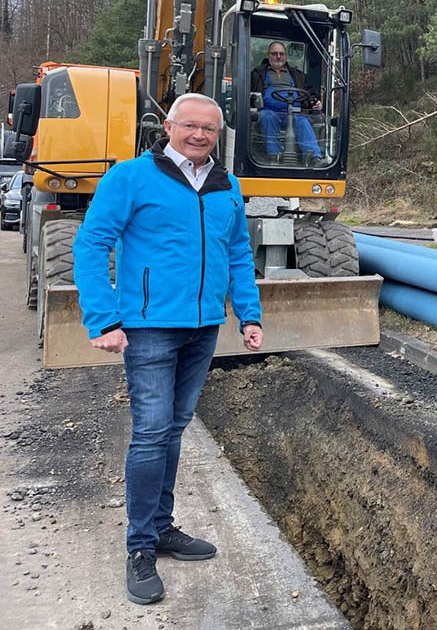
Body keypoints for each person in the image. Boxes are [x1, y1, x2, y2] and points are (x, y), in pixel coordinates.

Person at [74, 93, 264, 604]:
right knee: (152, 432)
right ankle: (139, 547)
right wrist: (104, 318)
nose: (199, 135)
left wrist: (248, 313)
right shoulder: (131, 178)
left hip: (203, 326)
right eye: (190, 126)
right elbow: (91, 244)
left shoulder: (227, 186)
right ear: (169, 126)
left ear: (218, 134)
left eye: (209, 128)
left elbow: (238, 252)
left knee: (174, 429)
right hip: (150, 326)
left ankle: (161, 527)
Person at [249, 40, 322, 161]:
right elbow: (248, 93)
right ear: (268, 55)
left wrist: (316, 102)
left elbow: (311, 93)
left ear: (285, 56)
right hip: (268, 111)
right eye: (274, 53)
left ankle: (314, 158)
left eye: (281, 54)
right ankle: (275, 156)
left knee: (303, 122)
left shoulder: (298, 75)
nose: (278, 57)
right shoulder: (257, 74)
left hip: (294, 113)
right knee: (268, 118)